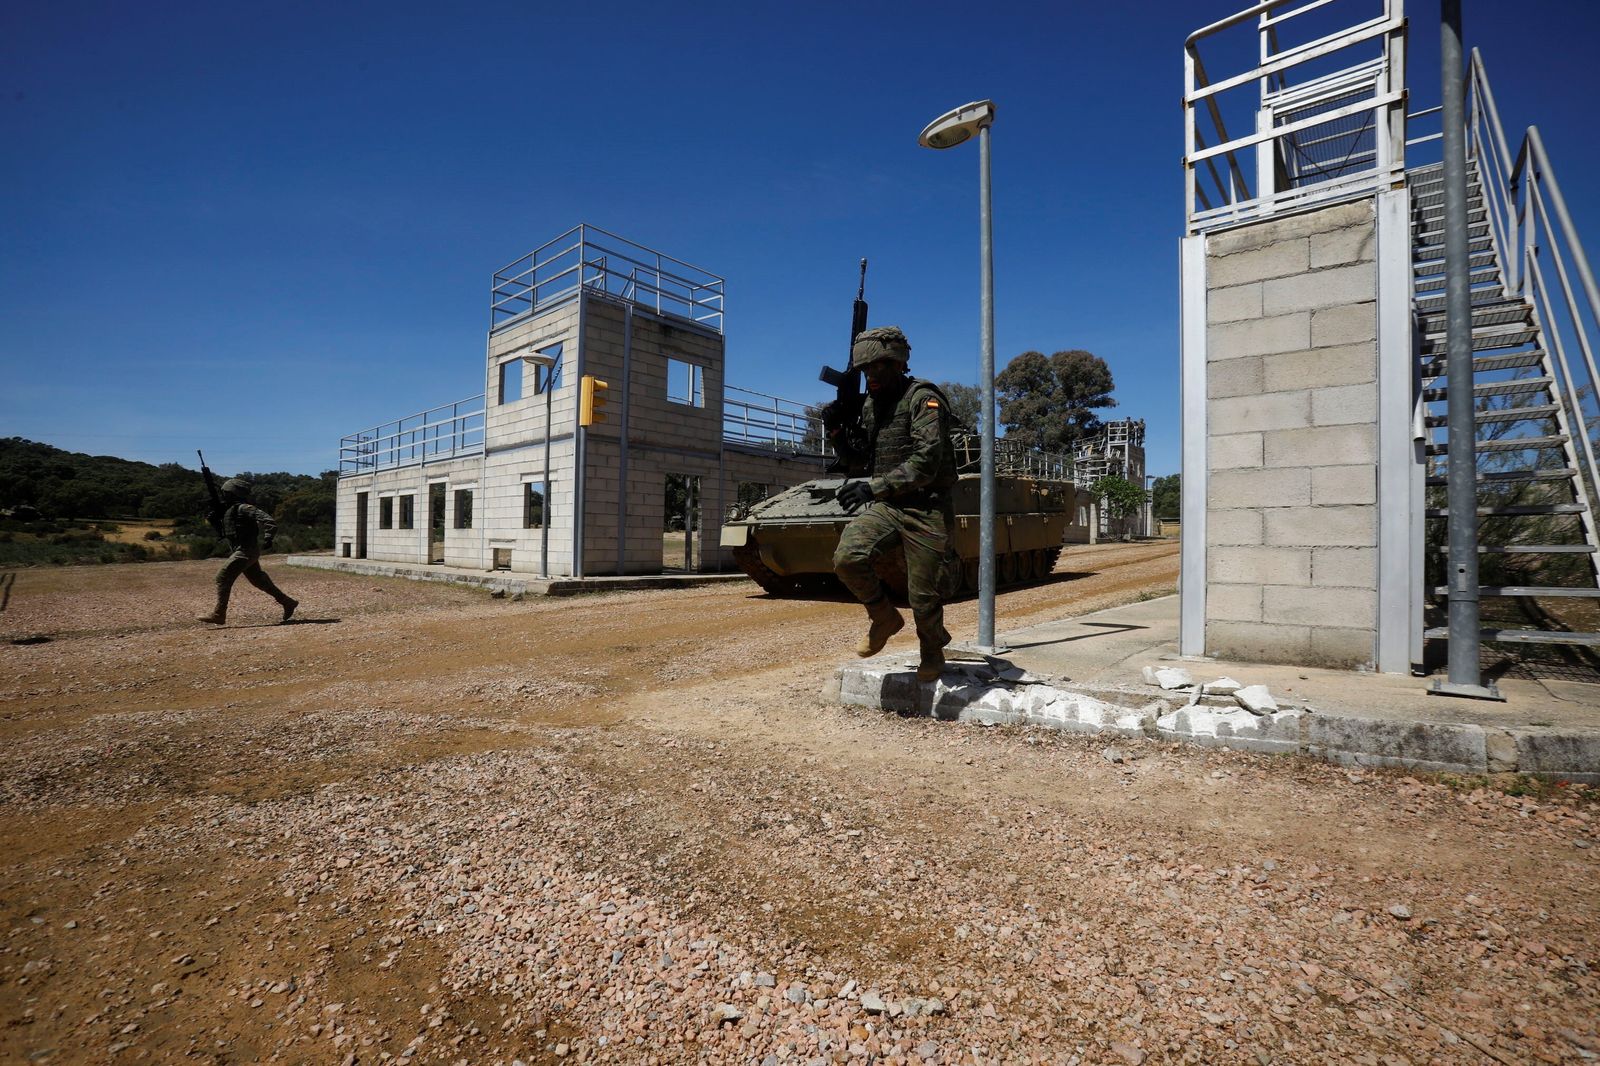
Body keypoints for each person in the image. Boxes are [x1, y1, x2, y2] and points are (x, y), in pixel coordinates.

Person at [827, 326, 958, 682]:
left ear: (898, 364)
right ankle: (883, 617)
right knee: (847, 558)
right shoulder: (872, 406)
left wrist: (874, 488)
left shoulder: (923, 398)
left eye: (877, 368)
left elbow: (927, 460)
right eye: (865, 371)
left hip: (927, 505)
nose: (870, 377)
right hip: (890, 503)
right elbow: (860, 462)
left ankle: (932, 652)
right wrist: (837, 434)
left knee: (924, 593)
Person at [198, 478, 298, 625]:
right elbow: (225, 533)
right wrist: (214, 520)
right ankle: (288, 602)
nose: (224, 496)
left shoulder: (244, 508)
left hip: (246, 551)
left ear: (233, 494)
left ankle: (219, 614)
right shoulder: (229, 511)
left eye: (227, 493)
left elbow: (269, 521)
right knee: (259, 581)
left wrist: (268, 538)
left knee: (222, 577)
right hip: (242, 550)